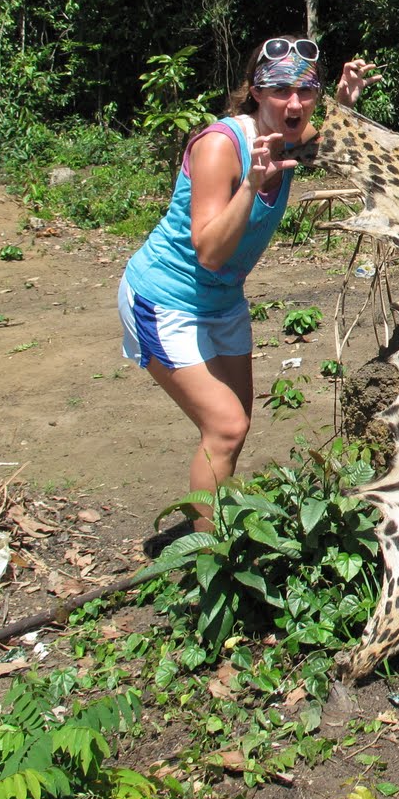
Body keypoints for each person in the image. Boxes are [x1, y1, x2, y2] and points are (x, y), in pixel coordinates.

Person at [119, 37, 379, 532]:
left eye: (306, 90)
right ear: (256, 93)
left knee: (233, 429)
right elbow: (210, 251)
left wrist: (345, 106)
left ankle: (214, 523)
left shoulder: (286, 139)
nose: (295, 103)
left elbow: (329, 148)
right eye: (280, 91)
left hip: (222, 302)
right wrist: (251, 185)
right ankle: (211, 568)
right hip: (164, 298)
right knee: (225, 426)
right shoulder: (222, 145)